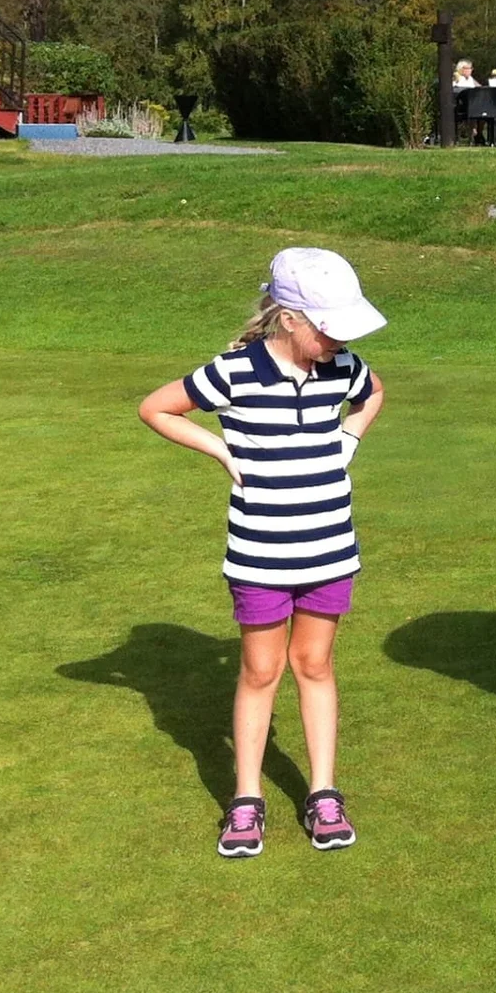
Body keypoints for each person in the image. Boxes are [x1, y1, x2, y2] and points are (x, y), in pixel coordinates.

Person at [136, 248, 387, 859]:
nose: (340, 338)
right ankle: (246, 799)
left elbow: (373, 393)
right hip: (260, 556)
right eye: (330, 325)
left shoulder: (344, 364)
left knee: (316, 666)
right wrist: (222, 451)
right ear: (291, 318)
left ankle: (324, 791)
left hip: (330, 547)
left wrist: (348, 437)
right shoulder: (235, 371)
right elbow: (156, 407)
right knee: (260, 671)